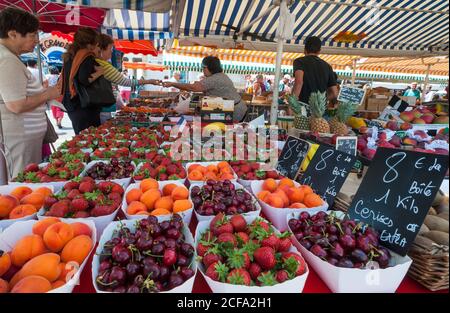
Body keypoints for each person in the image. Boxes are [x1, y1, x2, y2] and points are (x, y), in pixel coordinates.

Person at [0, 7, 60, 178]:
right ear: (13, 34)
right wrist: (47, 94)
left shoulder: (10, 57)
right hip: (19, 139)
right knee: (21, 183)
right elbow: (16, 105)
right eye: (32, 35)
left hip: (24, 138)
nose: (37, 40)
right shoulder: (6, 60)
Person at [95, 34, 160, 123]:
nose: (111, 52)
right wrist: (149, 81)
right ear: (101, 49)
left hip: (102, 107)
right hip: (103, 108)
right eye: (110, 49)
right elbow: (125, 81)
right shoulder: (103, 65)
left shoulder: (99, 63)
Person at [161, 56, 247, 122]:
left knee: (226, 132)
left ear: (209, 67)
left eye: (203, 67)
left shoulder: (215, 78)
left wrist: (172, 84)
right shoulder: (219, 76)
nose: (202, 70)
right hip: (232, 108)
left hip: (234, 111)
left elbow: (193, 87)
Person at [60, 27, 104, 135]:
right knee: (89, 138)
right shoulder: (86, 56)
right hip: (84, 106)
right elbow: (84, 80)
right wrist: (100, 72)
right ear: (91, 42)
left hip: (72, 103)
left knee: (81, 138)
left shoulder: (70, 55)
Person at [293, 36, 338, 104]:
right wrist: (321, 100)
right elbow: (335, 93)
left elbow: (299, 82)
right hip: (320, 109)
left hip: (303, 106)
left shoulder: (299, 62)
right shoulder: (327, 66)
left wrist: (292, 103)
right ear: (319, 51)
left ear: (305, 49)